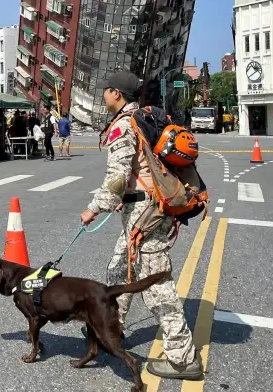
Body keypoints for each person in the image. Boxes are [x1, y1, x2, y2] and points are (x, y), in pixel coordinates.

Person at [80, 71, 202, 380]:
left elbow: (118, 176)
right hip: (142, 209)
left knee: (157, 285)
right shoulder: (142, 119)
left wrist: (94, 208)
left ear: (117, 94)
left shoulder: (124, 125)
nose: (103, 96)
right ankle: (112, 329)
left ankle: (182, 357)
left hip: (146, 215)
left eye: (105, 91)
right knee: (118, 269)